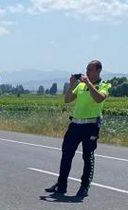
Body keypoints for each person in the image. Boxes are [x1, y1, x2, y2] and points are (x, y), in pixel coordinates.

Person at [45, 60, 110, 198]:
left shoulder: (103, 85)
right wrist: (72, 84)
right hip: (75, 124)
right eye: (86, 70)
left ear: (98, 71)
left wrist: (88, 83)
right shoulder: (80, 85)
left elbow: (99, 98)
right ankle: (61, 185)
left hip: (91, 125)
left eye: (90, 70)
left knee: (88, 156)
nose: (86, 73)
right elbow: (67, 99)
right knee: (66, 154)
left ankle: (84, 186)